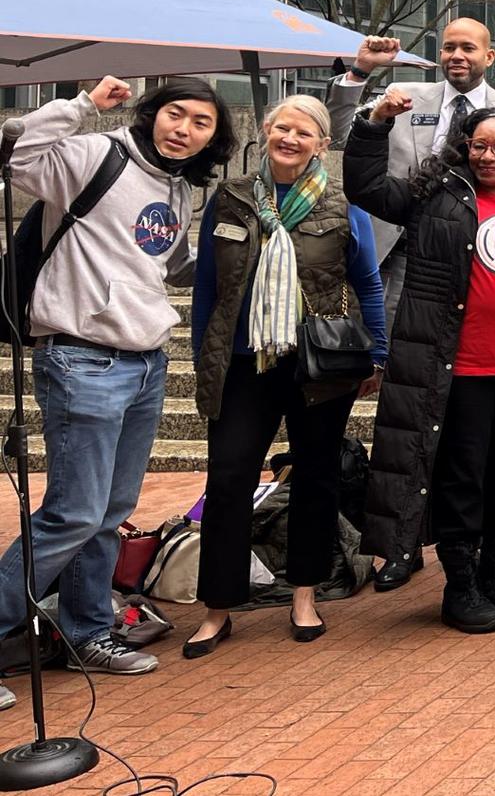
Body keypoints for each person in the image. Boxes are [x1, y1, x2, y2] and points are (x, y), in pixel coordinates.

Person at [0, 75, 231, 692]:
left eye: (201, 123)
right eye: (174, 114)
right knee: (72, 514)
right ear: (152, 112)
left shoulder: (178, 189)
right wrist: (80, 107)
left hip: (144, 360)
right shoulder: (94, 155)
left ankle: (86, 631)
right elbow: (18, 156)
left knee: (109, 513)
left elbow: (170, 263)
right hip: (81, 358)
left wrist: (236, 240)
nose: (183, 129)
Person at [345, 93, 495, 634]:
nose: (488, 156)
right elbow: (366, 188)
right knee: (463, 476)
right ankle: (460, 584)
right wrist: (373, 125)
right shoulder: (437, 196)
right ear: (463, 147)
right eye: (479, 146)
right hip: (459, 368)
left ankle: (494, 570)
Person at [328, 19, 495, 590]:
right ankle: (400, 541)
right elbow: (345, 135)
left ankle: (464, 547)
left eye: (467, 47)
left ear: (490, 55)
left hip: (481, 278)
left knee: (464, 424)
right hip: (401, 264)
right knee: (406, 411)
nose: (456, 55)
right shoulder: (405, 97)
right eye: (448, 46)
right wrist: (361, 74)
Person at [183, 96, 388, 658]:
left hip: (316, 365)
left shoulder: (345, 205)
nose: (291, 138)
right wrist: (208, 357)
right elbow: (208, 288)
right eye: (283, 128)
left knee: (316, 478)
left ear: (322, 144)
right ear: (267, 132)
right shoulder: (229, 200)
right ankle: (218, 608)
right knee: (227, 482)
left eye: (305, 132)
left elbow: (367, 284)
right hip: (243, 364)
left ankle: (304, 593)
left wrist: (379, 355)